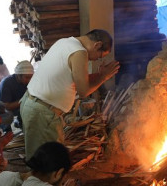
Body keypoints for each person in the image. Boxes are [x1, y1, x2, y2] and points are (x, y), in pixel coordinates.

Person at [20, 29, 119, 160]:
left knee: (39, 159)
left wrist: (100, 75)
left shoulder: (65, 42)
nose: (96, 60)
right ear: (97, 45)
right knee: (48, 164)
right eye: (99, 56)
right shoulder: (79, 52)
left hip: (32, 104)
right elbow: (83, 91)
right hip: (42, 112)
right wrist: (104, 76)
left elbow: (79, 79)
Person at [0, 60, 34, 129]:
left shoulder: (29, 81)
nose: (30, 80)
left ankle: (19, 122)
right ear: (18, 76)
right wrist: (25, 99)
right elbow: (6, 106)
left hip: (19, 105)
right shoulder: (6, 83)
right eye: (27, 77)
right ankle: (5, 128)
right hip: (3, 109)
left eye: (31, 77)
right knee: (7, 117)